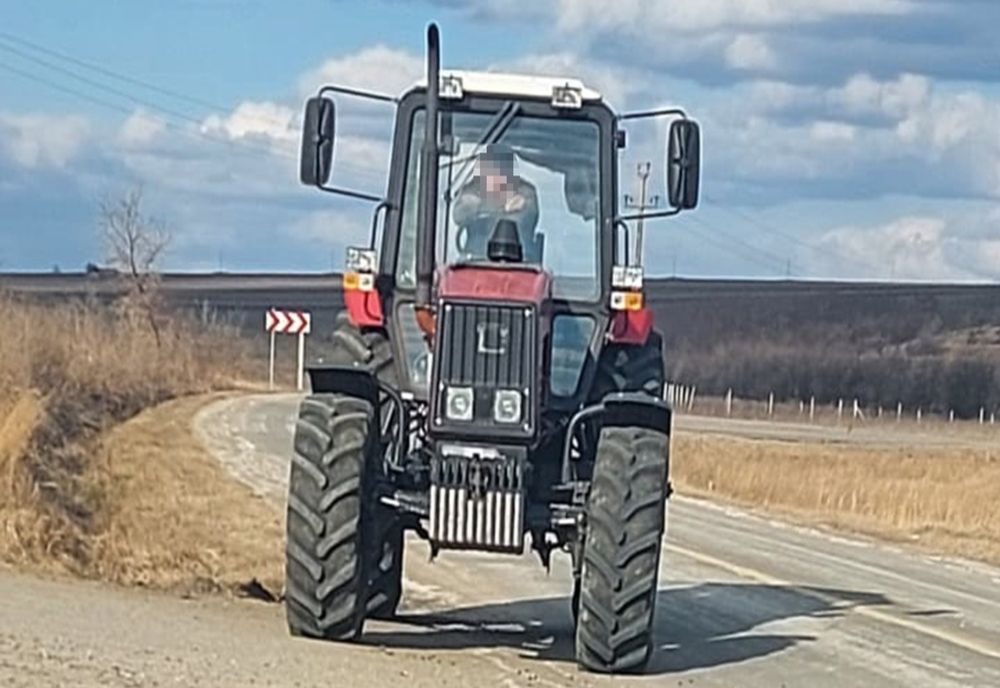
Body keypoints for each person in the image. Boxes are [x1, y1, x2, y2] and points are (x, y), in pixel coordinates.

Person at [451, 144, 540, 261]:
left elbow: (529, 214)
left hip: (520, 262)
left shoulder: (525, 193)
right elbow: (458, 215)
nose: (498, 176)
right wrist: (474, 205)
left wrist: (522, 205)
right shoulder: (472, 191)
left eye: (503, 169)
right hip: (473, 262)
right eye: (492, 169)